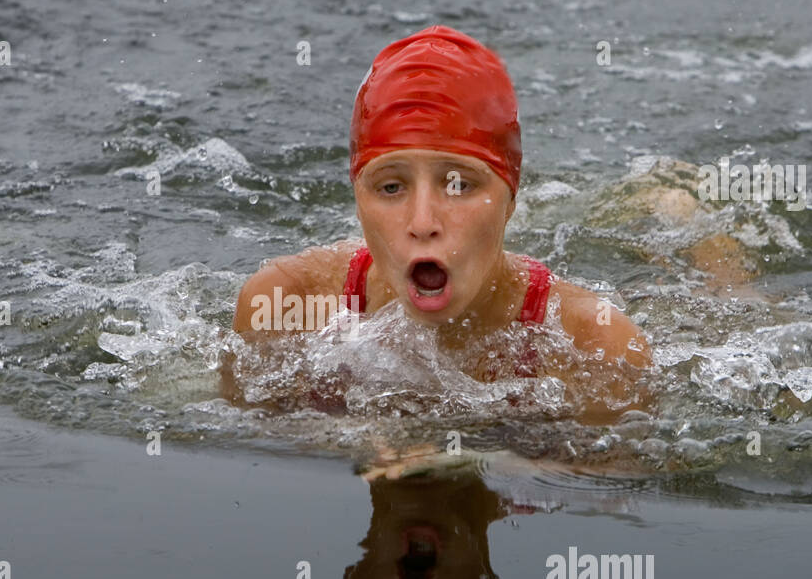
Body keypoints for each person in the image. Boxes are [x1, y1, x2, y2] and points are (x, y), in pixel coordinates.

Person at [225, 25, 653, 419]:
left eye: (459, 185)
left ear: (510, 199)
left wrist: (452, 456)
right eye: (390, 188)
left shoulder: (596, 347)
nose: (422, 222)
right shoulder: (285, 306)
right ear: (357, 198)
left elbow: (617, 476)